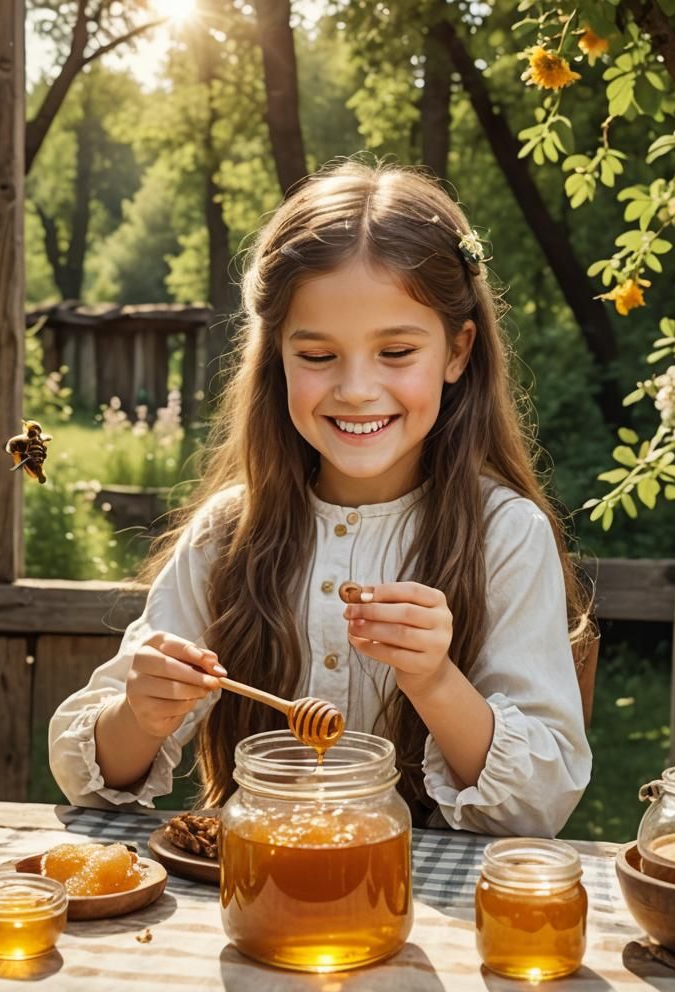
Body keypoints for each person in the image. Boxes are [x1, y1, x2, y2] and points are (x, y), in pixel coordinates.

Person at [50, 160, 593, 836]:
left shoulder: (505, 535)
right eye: (317, 356)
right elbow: (91, 779)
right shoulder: (229, 534)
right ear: (276, 355)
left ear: (457, 352)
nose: (357, 388)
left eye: (396, 352)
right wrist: (143, 713)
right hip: (253, 890)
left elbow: (538, 804)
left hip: (429, 912)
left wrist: (435, 681)